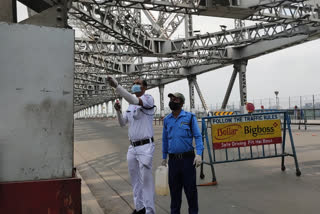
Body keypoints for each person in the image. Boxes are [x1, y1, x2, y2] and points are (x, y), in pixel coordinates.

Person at [107, 76, 155, 214]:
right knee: (135, 181)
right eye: (133, 83)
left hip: (145, 147)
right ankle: (139, 208)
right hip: (132, 147)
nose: (135, 85)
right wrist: (118, 111)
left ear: (144, 87)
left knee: (146, 182)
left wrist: (117, 86)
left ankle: (150, 211)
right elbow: (122, 123)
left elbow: (134, 99)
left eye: (138, 84)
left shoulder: (148, 99)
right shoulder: (130, 106)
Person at [161, 92, 204, 214]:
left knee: (191, 192)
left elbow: (198, 136)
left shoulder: (190, 117)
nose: (172, 101)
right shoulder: (167, 120)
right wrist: (164, 157)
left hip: (187, 160)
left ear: (182, 102)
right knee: (174, 193)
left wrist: (199, 154)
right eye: (171, 99)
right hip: (173, 161)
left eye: (175, 99)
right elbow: (165, 139)